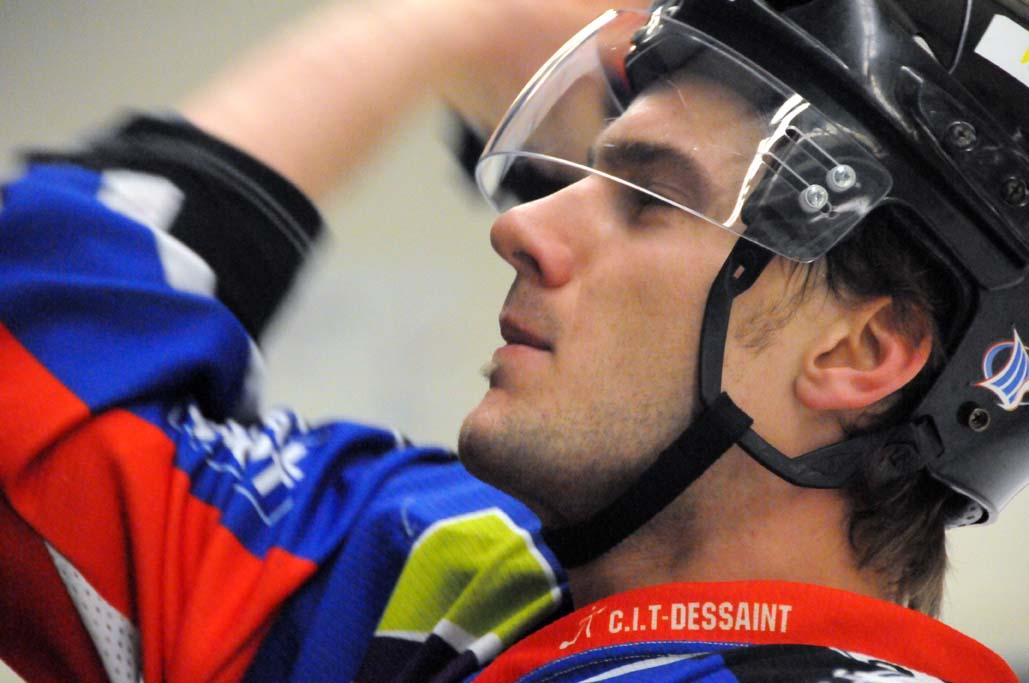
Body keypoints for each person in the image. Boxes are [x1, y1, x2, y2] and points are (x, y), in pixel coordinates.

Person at [0, 1, 1025, 682]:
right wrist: (435, 30)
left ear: (860, 351)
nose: (521, 227)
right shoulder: (442, 573)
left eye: (649, 199)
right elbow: (32, 394)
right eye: (584, 175)